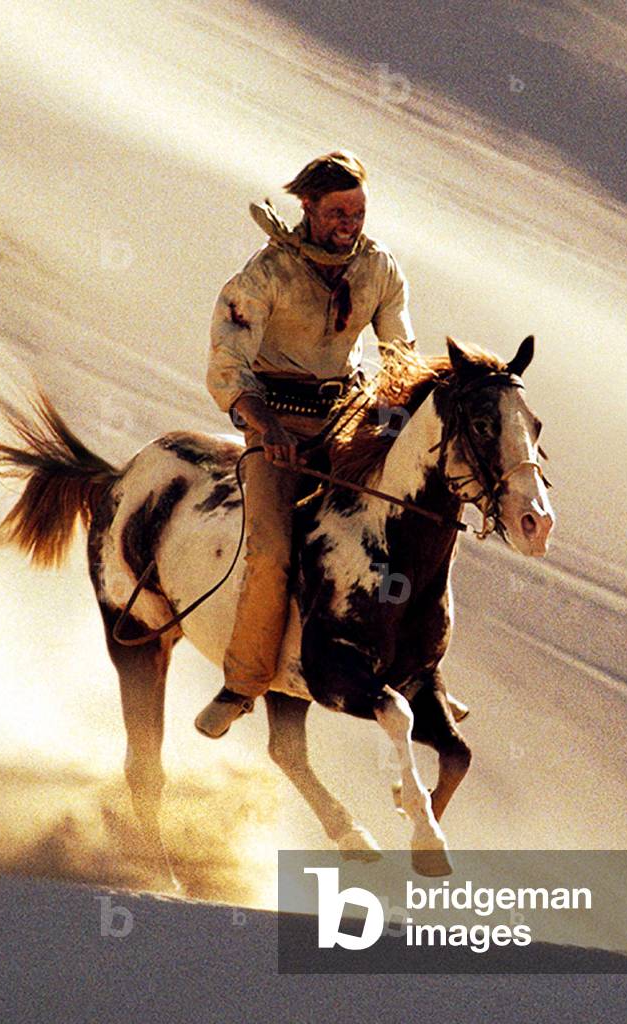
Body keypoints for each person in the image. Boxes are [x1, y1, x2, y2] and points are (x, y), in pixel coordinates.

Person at [195, 150, 416, 738]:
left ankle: (416, 668)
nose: (351, 221)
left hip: (348, 420)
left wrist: (398, 408)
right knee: (272, 547)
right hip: (279, 429)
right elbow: (228, 363)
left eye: (359, 210)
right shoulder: (264, 275)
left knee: (403, 523)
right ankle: (243, 682)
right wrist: (262, 425)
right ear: (310, 208)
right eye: (339, 210)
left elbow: (399, 354)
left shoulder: (379, 270)